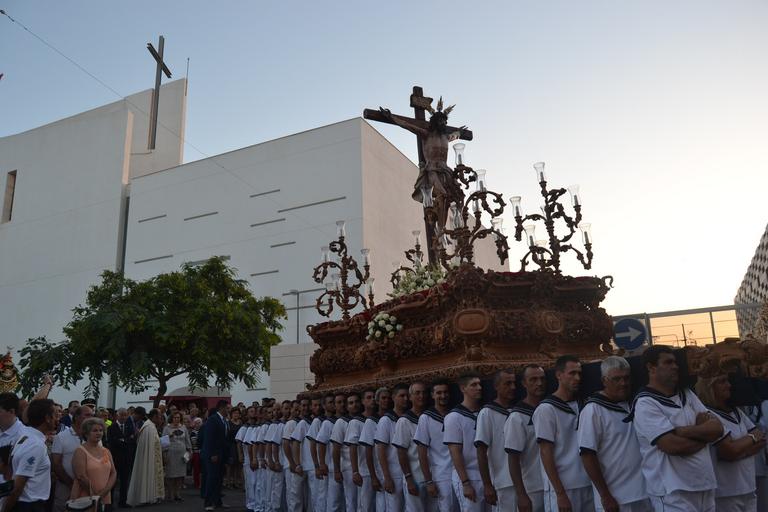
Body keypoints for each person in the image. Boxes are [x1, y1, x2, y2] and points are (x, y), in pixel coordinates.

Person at [632, 345, 723, 512]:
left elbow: (718, 428)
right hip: (672, 491)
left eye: (675, 362)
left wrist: (684, 431)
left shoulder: (687, 394)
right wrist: (704, 435)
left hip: (704, 485)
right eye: (668, 362)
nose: (675, 366)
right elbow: (672, 446)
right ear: (651, 368)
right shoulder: (645, 403)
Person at [579, 356, 651, 512]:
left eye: (626, 378)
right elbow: (587, 455)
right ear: (604, 381)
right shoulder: (592, 410)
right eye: (616, 379)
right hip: (616, 499)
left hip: (646, 493)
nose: (623, 383)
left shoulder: (634, 404)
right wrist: (605, 495)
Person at [696, 371, 765, 511]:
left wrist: (739, 451)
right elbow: (729, 450)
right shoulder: (708, 415)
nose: (728, 385)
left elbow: (762, 440)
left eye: (727, 380)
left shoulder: (737, 412)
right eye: (722, 382)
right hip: (726, 492)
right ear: (709, 387)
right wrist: (751, 438)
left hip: (749, 487)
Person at [533, 355, 594, 512]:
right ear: (559, 375)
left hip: (587, 483)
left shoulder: (584, 404)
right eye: (572, 373)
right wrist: (560, 493)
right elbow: (545, 452)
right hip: (564, 487)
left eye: (579, 373)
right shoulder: (546, 409)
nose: (577, 378)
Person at [504, 365, 546, 512]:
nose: (539, 383)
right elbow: (513, 458)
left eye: (542, 379)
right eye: (533, 379)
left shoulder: (549, 409)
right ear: (524, 383)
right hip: (532, 489)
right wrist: (521, 494)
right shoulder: (516, 417)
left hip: (553, 486)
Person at [3, 399, 55, 512]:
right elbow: (18, 485)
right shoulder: (35, 445)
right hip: (28, 506)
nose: (58, 418)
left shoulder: (26, 436)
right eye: (55, 415)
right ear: (47, 418)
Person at [445, 373, 486, 512]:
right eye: (473, 385)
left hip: (486, 476)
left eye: (479, 384)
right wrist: (465, 483)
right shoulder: (454, 417)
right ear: (463, 388)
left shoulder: (484, 413)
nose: (479, 388)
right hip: (469, 476)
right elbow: (454, 451)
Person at [475, 369, 516, 511]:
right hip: (502, 483)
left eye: (514, 383)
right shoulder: (487, 413)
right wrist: (487, 484)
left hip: (524, 481)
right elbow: (481, 451)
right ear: (496, 386)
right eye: (507, 383)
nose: (512, 387)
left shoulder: (517, 410)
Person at [415, 379, 456, 512]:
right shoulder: (426, 418)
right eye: (439, 393)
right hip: (441, 476)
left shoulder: (455, 415)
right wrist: (429, 481)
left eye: (445, 392)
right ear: (432, 395)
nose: (443, 396)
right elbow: (421, 452)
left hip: (460, 474)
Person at [394, 381, 429, 512]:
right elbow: (401, 451)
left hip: (432, 477)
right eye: (417, 393)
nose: (421, 396)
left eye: (424, 393)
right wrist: (409, 478)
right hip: (415, 478)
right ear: (410, 397)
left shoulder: (429, 417)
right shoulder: (404, 421)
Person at [70, 417, 116, 511]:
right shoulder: (80, 451)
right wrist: (95, 496)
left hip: (105, 499)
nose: (99, 433)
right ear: (86, 433)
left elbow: (113, 472)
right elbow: (81, 477)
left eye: (101, 430)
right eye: (95, 430)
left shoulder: (106, 451)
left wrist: (103, 494)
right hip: (85, 500)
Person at [52, 405, 92, 511]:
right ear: (76, 417)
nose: (90, 418)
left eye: (92, 415)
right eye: (87, 415)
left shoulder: (93, 438)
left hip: (87, 487)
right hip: (65, 486)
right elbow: (56, 464)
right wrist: (71, 483)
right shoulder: (61, 437)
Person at [377, 383, 409, 512]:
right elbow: (381, 450)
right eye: (402, 396)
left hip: (409, 473)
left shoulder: (408, 419)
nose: (405, 399)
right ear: (394, 397)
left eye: (407, 395)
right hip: (394, 474)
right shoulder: (386, 420)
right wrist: (387, 477)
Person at [126, 407, 165, 506]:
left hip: (152, 458)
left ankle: (151, 496)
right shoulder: (149, 428)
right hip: (149, 459)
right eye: (160, 416)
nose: (161, 419)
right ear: (155, 416)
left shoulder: (150, 426)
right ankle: (147, 497)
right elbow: (149, 447)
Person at [346, 389, 376, 511]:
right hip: (364, 470)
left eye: (374, 397)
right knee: (365, 505)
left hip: (378, 470)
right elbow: (353, 447)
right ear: (363, 401)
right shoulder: (356, 422)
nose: (372, 400)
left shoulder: (378, 419)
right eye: (369, 397)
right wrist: (355, 471)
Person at [361, 388, 390, 512]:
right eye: (383, 398)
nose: (386, 401)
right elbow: (368, 451)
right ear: (377, 401)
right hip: (378, 472)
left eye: (388, 398)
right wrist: (373, 476)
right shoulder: (371, 421)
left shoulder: (393, 419)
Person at [201, 400, 230, 511]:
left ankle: (217, 501)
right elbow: (209, 438)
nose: (228, 410)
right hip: (213, 454)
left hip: (222, 454)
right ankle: (208, 502)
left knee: (219, 479)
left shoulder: (224, 421)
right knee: (212, 478)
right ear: (222, 408)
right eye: (227, 408)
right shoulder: (213, 420)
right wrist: (213, 453)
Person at [332, 393, 357, 512]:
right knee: (351, 501)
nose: (355, 405)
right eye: (351, 403)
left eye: (356, 402)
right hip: (348, 468)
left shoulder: (363, 421)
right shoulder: (341, 422)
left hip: (363, 468)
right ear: (347, 407)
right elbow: (336, 448)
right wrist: (337, 470)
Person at [162, 410, 192, 501]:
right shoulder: (167, 428)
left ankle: (177, 493)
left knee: (180, 475)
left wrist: (190, 451)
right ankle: (170, 493)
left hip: (181, 454)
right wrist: (169, 436)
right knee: (171, 475)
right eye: (175, 418)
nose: (176, 419)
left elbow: (187, 440)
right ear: (172, 418)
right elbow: (163, 442)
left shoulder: (183, 427)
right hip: (171, 453)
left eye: (178, 417)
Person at [106, 408, 132, 508]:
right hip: (115, 458)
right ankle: (110, 502)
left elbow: (132, 440)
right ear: (117, 416)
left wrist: (122, 440)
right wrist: (124, 441)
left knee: (125, 482)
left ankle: (123, 502)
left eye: (125, 415)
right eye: (122, 415)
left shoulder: (129, 427)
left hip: (126, 458)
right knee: (112, 481)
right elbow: (112, 442)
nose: (124, 417)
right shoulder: (111, 427)